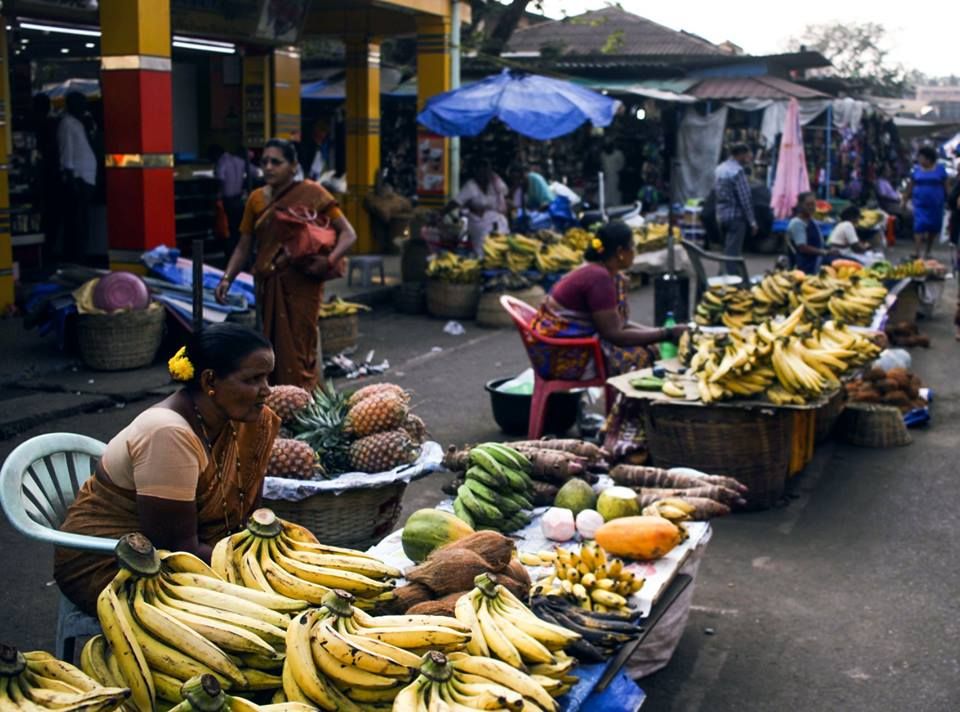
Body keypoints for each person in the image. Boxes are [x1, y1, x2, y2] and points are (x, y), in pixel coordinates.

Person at [53, 323, 281, 615]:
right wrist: (257, 575)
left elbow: (248, 517)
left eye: (267, 377)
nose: (267, 390)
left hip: (192, 551)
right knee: (265, 616)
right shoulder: (168, 433)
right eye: (253, 379)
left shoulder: (244, 421)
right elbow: (176, 550)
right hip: (118, 563)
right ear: (210, 380)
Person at [214, 138, 358, 389]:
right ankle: (277, 405)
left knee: (301, 347)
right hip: (268, 281)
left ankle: (305, 403)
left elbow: (348, 233)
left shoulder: (313, 193)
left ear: (293, 166)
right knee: (270, 348)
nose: (268, 167)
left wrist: (330, 260)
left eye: (276, 162)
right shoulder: (257, 200)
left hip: (303, 283)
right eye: (264, 162)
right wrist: (227, 278)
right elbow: (244, 245)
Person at [529, 221, 686, 379]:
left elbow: (618, 323)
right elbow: (614, 334)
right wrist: (666, 334)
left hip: (557, 349)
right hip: (562, 358)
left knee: (650, 346)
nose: (635, 252)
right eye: (632, 246)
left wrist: (660, 333)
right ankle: (630, 403)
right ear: (620, 252)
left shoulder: (603, 272)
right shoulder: (599, 278)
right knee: (640, 356)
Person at [58, 91, 97, 262]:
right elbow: (67, 151)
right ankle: (74, 257)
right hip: (78, 177)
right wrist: (70, 176)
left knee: (82, 220)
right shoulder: (67, 123)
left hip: (87, 177)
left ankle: (80, 254)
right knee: (76, 221)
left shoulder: (80, 123)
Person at [447, 157, 508, 254]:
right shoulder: (470, 186)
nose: (483, 174)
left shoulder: (496, 181)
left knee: (501, 248)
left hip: (497, 221)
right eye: (480, 171)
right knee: (483, 249)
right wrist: (441, 213)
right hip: (478, 223)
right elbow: (456, 202)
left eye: (486, 170)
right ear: (476, 172)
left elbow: (504, 194)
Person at [714, 144, 758, 274]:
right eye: (747, 155)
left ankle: (722, 274)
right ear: (741, 154)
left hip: (721, 216)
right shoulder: (737, 171)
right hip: (736, 217)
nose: (749, 158)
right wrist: (752, 222)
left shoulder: (720, 169)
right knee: (733, 252)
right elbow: (745, 199)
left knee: (726, 249)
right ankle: (730, 282)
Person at [902, 146, 948, 258]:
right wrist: (905, 199)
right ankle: (917, 251)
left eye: (921, 157)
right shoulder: (916, 170)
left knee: (934, 226)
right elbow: (910, 186)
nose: (919, 159)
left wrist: (949, 200)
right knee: (919, 225)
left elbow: (946, 186)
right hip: (920, 203)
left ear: (928, 159)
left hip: (936, 204)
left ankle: (928, 250)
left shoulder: (940, 170)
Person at [212, 145, 252, 258]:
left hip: (227, 201)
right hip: (238, 200)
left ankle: (230, 254)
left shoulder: (222, 161)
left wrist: (218, 195)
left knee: (227, 230)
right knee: (238, 229)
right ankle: (241, 254)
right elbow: (255, 172)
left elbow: (220, 177)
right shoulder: (240, 161)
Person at [787, 192, 837, 274]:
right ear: (800, 205)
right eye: (808, 204)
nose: (811, 207)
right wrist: (824, 252)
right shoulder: (797, 223)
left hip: (815, 262)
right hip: (805, 266)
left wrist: (828, 249)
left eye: (813, 204)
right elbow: (802, 247)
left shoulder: (811, 221)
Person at [600, 140, 625, 206]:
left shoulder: (618, 154)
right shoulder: (603, 154)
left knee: (616, 192)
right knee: (606, 191)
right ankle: (606, 205)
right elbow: (603, 165)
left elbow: (622, 164)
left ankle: (616, 205)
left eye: (609, 145)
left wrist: (618, 171)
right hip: (607, 176)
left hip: (616, 176)